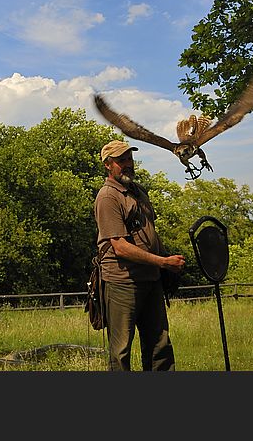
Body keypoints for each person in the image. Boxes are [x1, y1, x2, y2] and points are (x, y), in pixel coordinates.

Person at [94, 139, 185, 371]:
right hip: (123, 282)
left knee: (160, 345)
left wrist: (166, 258)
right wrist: (163, 262)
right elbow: (119, 246)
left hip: (150, 279)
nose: (127, 164)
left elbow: (149, 233)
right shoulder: (108, 197)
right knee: (121, 351)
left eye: (129, 159)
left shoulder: (139, 192)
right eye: (120, 160)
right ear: (108, 165)